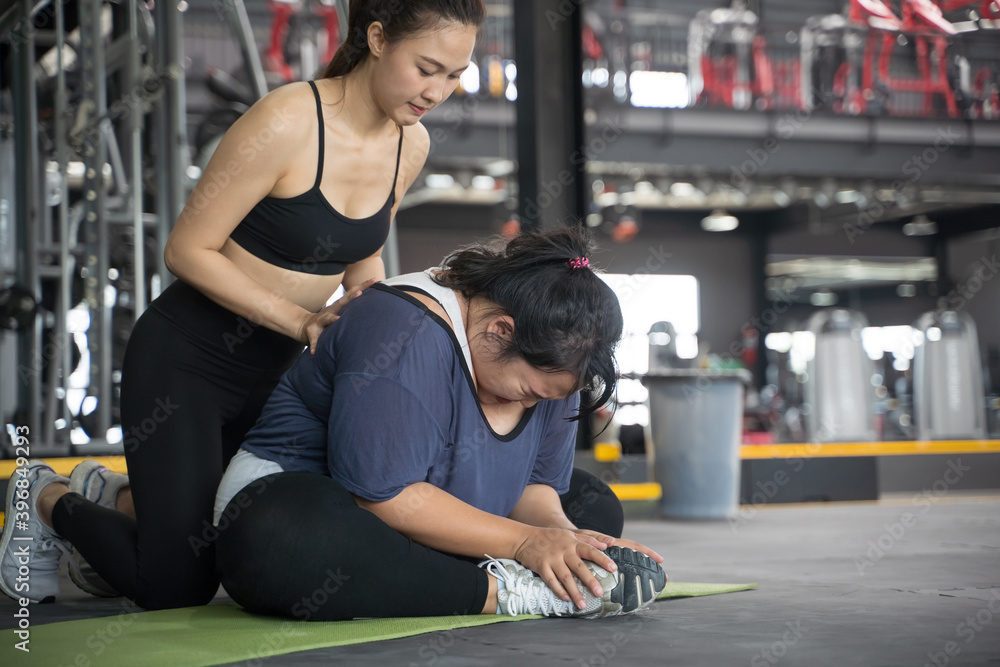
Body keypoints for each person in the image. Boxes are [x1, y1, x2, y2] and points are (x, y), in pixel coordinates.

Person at [0, 0, 486, 609]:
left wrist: (390, 319)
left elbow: (362, 261)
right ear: (380, 38)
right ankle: (43, 494)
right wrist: (303, 321)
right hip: (187, 361)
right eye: (427, 68)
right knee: (178, 586)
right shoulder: (287, 119)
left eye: (455, 76)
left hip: (279, 375)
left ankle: (119, 497)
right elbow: (187, 249)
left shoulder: (409, 146)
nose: (438, 90)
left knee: (238, 544)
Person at [211, 227, 668, 620]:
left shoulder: (558, 360)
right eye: (528, 393)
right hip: (327, 506)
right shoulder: (402, 327)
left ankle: (492, 576)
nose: (532, 406)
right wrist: (527, 542)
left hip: (444, 510)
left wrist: (563, 535)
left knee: (593, 507)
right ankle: (508, 593)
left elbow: (533, 485)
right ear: (500, 332)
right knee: (284, 532)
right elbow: (382, 498)